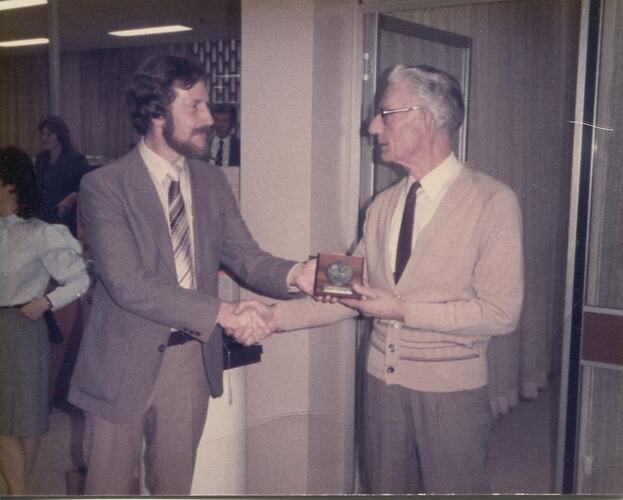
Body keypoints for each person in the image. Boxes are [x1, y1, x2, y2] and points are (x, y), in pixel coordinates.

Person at [234, 64, 524, 494]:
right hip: (381, 388)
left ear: (424, 119)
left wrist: (402, 311)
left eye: (385, 113)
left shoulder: (493, 202)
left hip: (451, 394)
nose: (372, 126)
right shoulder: (382, 206)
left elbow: (500, 314)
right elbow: (343, 289)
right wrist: (271, 317)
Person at [67, 54, 314, 495]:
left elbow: (246, 257)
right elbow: (128, 283)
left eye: (207, 105)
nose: (208, 117)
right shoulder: (104, 186)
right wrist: (224, 311)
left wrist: (299, 274)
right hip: (120, 363)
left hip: (189, 361)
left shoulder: (211, 182)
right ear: (157, 114)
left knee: (174, 487)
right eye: (194, 107)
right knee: (106, 486)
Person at [0, 147, 90, 495]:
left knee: (26, 425)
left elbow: (80, 280)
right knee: (4, 426)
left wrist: (46, 301)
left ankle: (18, 492)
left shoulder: (41, 234)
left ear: (11, 186)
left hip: (22, 332)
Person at [35, 116, 91, 237]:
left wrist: (71, 198)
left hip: (66, 219)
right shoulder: (41, 158)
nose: (44, 138)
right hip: (43, 218)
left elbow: (86, 188)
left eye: (49, 134)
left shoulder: (75, 159)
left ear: (59, 135)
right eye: (42, 134)